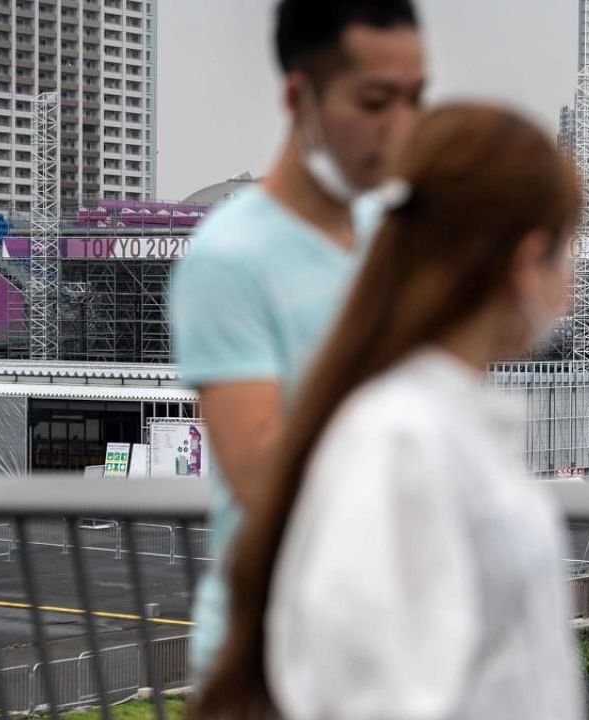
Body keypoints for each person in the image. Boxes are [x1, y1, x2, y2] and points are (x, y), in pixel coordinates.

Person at [196, 104, 586, 719]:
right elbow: (370, 690)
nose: (569, 280)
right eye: (565, 252)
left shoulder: (422, 423)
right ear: (525, 261)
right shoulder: (402, 436)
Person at [169, 0, 424, 676]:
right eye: (375, 101)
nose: (401, 126)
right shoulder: (228, 258)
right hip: (271, 659)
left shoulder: (391, 236)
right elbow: (261, 475)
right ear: (297, 96)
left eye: (414, 99)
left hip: (389, 648)